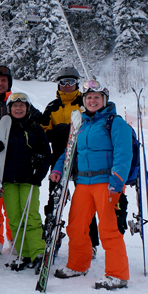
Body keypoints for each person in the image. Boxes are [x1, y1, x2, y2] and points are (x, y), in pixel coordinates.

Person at [50, 81, 131, 290]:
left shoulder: (115, 122)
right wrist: (59, 168)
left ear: (104, 100)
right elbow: (70, 150)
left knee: (108, 229)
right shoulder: (82, 124)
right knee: (76, 226)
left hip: (107, 183)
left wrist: (117, 181)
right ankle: (77, 265)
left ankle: (117, 274)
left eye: (96, 97)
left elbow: (123, 153)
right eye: (89, 98)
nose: (92, 101)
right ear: (84, 101)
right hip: (84, 183)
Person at [0, 93, 50, 272]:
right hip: (9, 180)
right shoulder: (2, 127)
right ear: (9, 109)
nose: (18, 109)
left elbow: (46, 153)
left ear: (27, 108)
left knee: (31, 217)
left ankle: (38, 252)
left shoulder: (35, 128)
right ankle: (23, 252)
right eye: (15, 106)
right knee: (14, 218)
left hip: (29, 179)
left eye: (22, 106)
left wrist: (40, 174)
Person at [0, 66, 38, 255]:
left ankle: (14, 237)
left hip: (13, 162)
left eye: (3, 80)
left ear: (8, 82)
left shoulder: (18, 101)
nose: (0, 83)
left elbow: (37, 122)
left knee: (10, 202)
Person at [40, 66, 100, 256]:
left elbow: (95, 119)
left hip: (82, 157)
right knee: (56, 198)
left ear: (76, 84)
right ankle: (52, 237)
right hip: (59, 157)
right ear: (58, 85)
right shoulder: (52, 107)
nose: (67, 86)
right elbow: (42, 130)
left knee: (86, 200)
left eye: (71, 82)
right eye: (63, 82)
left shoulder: (84, 102)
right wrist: (57, 132)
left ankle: (91, 242)